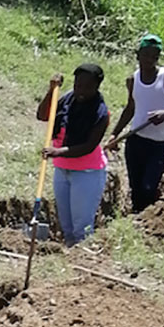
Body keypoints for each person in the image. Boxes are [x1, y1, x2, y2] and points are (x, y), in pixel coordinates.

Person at [105, 33, 164, 212]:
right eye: (146, 55)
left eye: (154, 56)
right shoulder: (132, 80)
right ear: (138, 55)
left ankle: (151, 214)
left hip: (158, 144)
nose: (150, 60)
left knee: (148, 188)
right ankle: (138, 222)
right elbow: (130, 108)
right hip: (136, 140)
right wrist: (115, 134)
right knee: (136, 189)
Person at [37, 62, 110, 246]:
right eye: (78, 85)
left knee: (82, 227)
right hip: (62, 170)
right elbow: (43, 115)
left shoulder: (100, 113)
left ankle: (83, 259)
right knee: (66, 226)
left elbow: (89, 146)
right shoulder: (68, 99)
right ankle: (68, 257)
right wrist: (52, 91)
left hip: (87, 173)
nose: (81, 91)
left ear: (97, 87)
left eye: (87, 87)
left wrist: (57, 151)